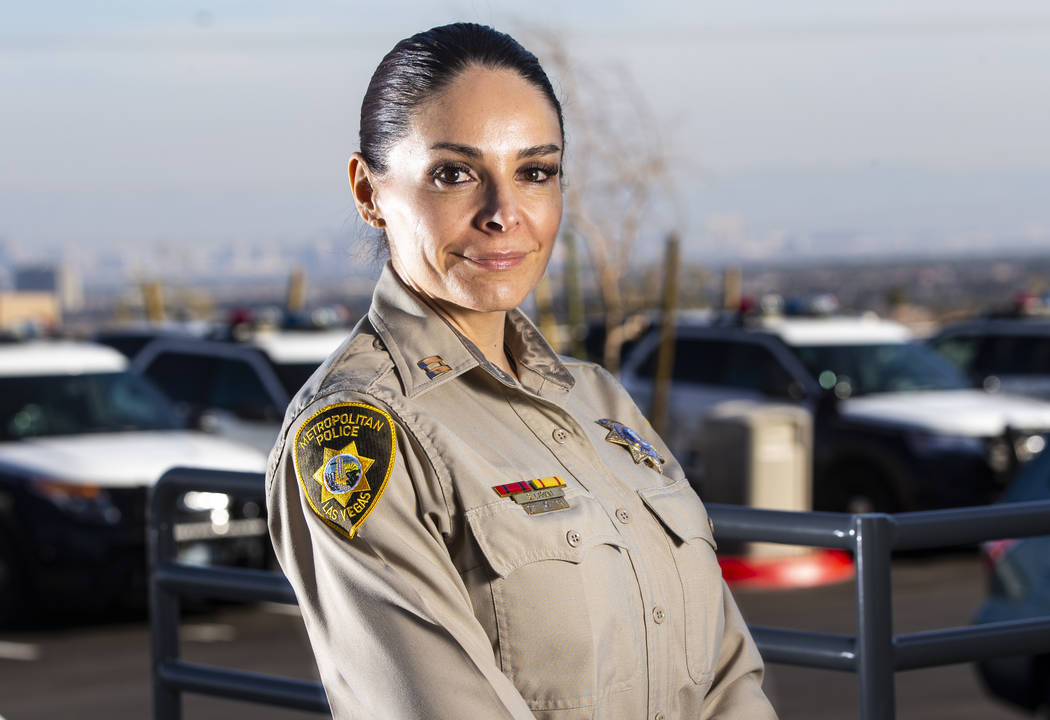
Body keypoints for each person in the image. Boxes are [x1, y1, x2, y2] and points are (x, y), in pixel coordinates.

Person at [266, 22, 777, 720]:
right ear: (369, 192)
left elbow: (726, 677)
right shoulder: (357, 432)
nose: (504, 214)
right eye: (454, 174)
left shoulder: (597, 401)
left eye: (535, 172)